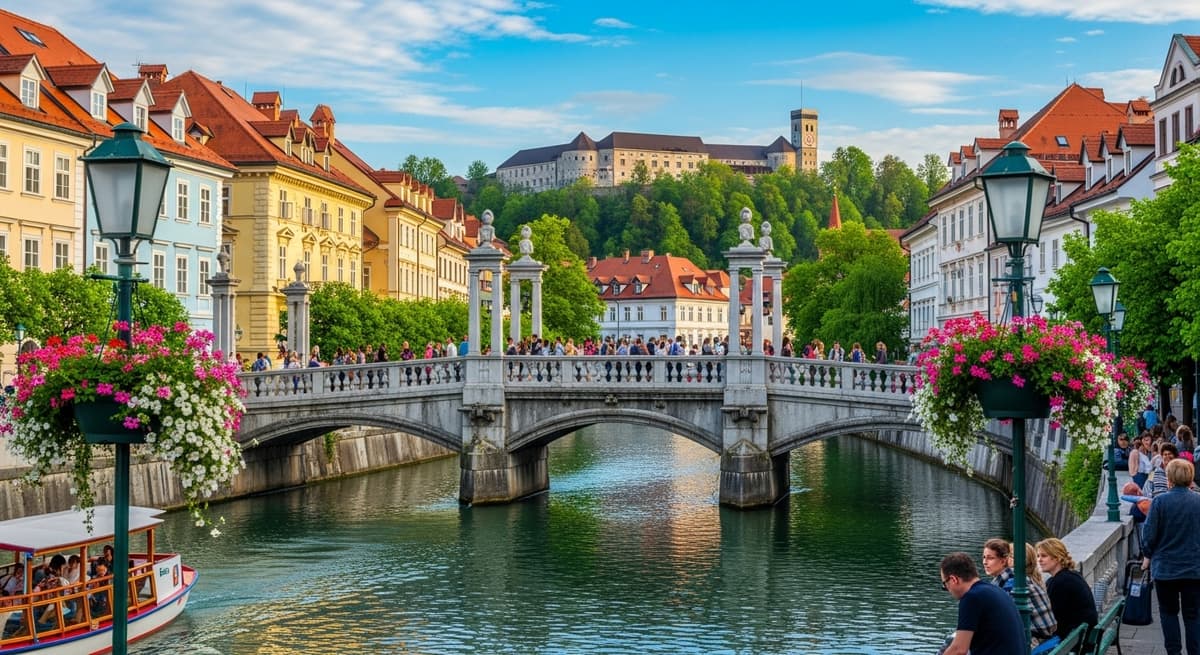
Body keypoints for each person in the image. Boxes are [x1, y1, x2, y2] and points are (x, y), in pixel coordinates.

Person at [1143, 457, 1200, 655]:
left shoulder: (1160, 502)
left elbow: (1149, 535)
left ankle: (1173, 652)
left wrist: (1147, 554)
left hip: (1165, 569)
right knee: (1193, 616)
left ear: (1170, 479)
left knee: (1168, 613)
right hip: (1194, 569)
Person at [939, 551, 1024, 655]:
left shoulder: (971, 598)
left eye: (945, 585)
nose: (947, 589)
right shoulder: (995, 590)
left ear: (953, 579)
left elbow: (959, 650)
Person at [981, 539, 1058, 650]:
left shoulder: (1013, 584)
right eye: (984, 557)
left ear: (1004, 561)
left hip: (1035, 641)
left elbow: (1005, 624)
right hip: (1047, 639)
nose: (985, 562)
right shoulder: (1019, 578)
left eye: (990, 558)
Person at [1036, 538, 1097, 643]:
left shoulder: (1060, 582)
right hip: (1081, 635)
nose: (1039, 560)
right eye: (1038, 556)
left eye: (1044, 556)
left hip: (1072, 642)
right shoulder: (1070, 575)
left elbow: (1052, 621)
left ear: (1057, 558)